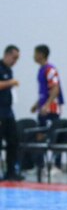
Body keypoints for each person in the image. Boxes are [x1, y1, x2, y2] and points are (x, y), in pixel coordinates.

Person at [31, 44, 64, 172]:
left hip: (52, 110)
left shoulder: (50, 70)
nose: (33, 56)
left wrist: (47, 105)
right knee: (39, 136)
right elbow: (44, 92)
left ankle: (57, 165)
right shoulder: (41, 70)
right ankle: (40, 166)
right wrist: (37, 104)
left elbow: (55, 89)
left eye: (35, 53)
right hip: (43, 109)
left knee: (54, 137)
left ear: (41, 54)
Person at [0, 45, 23, 181]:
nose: (15, 61)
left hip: (8, 112)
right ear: (7, 55)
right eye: (14, 58)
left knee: (13, 142)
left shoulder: (9, 70)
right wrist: (10, 83)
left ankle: (11, 172)